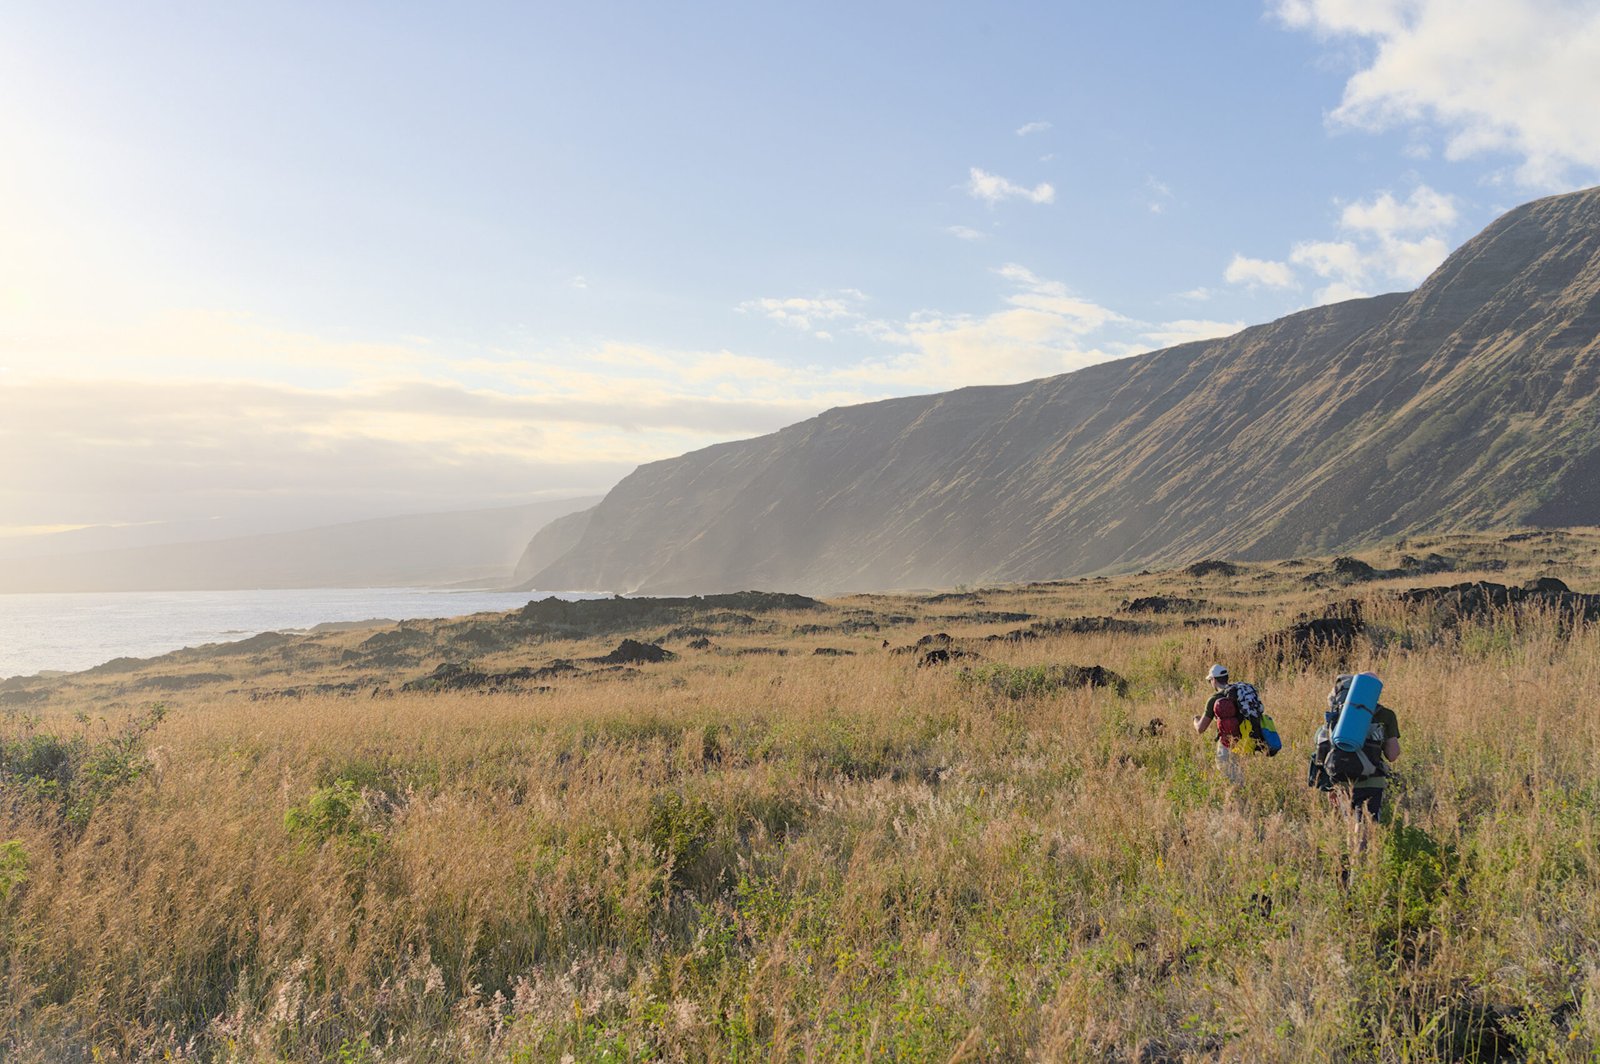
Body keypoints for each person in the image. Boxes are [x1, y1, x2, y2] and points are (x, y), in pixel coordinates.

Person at [1310, 683, 1401, 821]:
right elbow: (1392, 755)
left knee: (1351, 824)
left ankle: (1355, 843)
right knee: (1367, 825)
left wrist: (1331, 786)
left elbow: (1324, 750)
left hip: (1342, 780)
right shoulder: (1386, 715)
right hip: (1372, 780)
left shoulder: (1337, 715)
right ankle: (1362, 843)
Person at [1193, 663, 1244, 782]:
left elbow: (1201, 729)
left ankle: (1237, 799)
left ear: (1214, 680)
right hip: (1245, 741)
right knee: (1239, 774)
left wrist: (1195, 720)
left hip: (1226, 744)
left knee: (1228, 778)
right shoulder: (1239, 692)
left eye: (1210, 680)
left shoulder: (1214, 699)